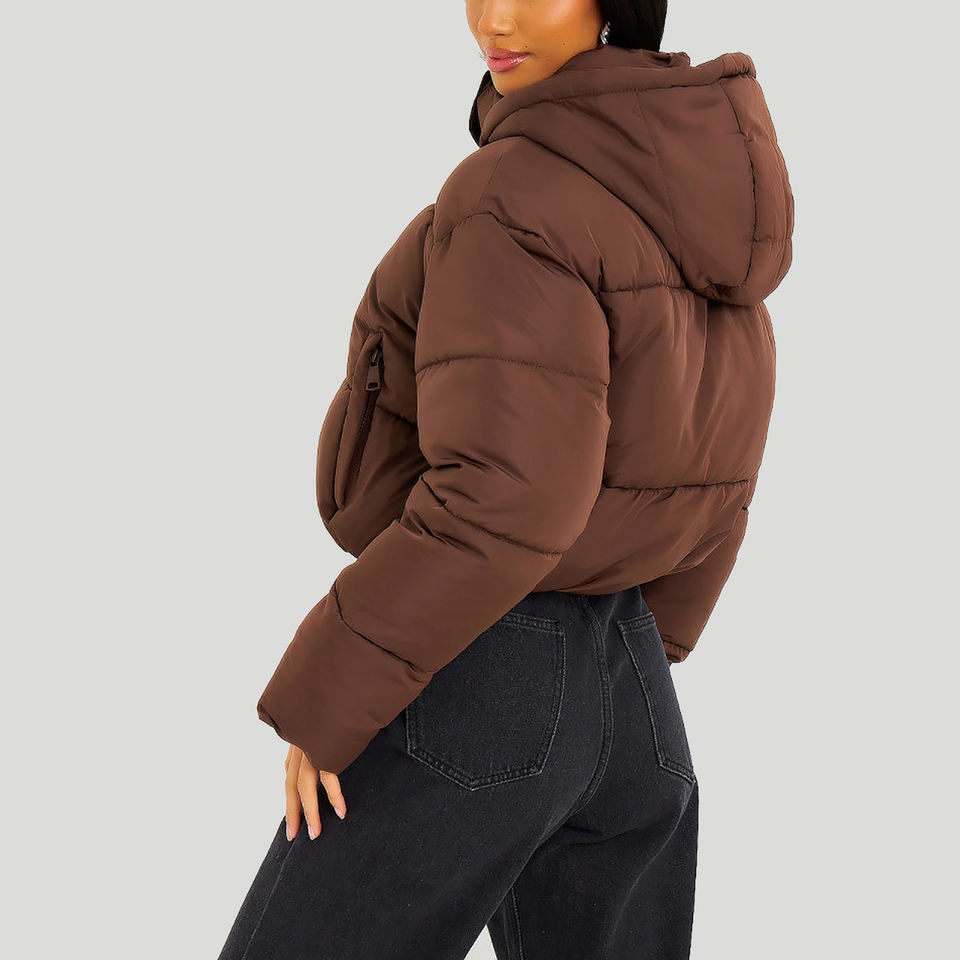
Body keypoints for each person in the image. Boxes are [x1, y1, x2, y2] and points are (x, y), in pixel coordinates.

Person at [217, 1, 794, 957]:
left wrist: (331, 691)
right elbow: (722, 451)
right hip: (634, 696)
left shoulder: (515, 190)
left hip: (490, 668)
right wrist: (641, 645)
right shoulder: (703, 191)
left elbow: (507, 494)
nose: (497, 17)